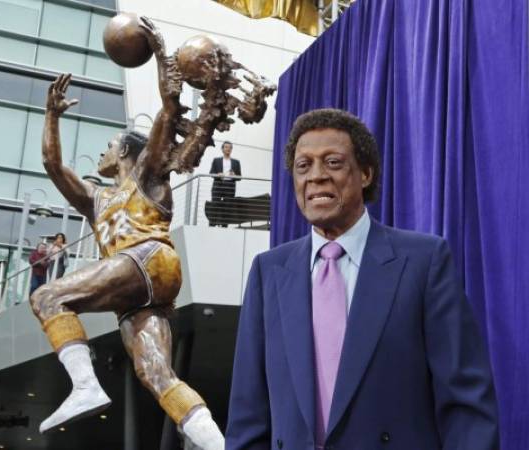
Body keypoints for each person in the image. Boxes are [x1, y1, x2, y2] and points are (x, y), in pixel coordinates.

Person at [28, 15, 275, 448]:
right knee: (157, 375)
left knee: (48, 296)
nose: (102, 151)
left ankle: (85, 386)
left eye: (109, 145)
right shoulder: (96, 200)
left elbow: (169, 109)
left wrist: (162, 53)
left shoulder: (147, 172)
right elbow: (52, 165)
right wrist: (51, 116)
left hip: (146, 258)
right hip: (142, 291)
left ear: (125, 150)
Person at [226, 109, 499, 450]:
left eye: (333, 162)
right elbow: (247, 418)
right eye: (303, 165)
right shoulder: (268, 272)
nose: (316, 176)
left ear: (365, 173)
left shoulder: (423, 261)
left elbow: (466, 406)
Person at [209, 141, 241, 227]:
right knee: (214, 206)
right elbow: (211, 173)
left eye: (230, 147)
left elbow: (239, 177)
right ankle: (211, 226)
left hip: (230, 186)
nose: (228, 149)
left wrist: (234, 175)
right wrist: (218, 175)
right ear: (222, 149)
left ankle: (224, 226)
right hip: (218, 185)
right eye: (226, 147)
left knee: (227, 207)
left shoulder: (236, 162)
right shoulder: (216, 160)